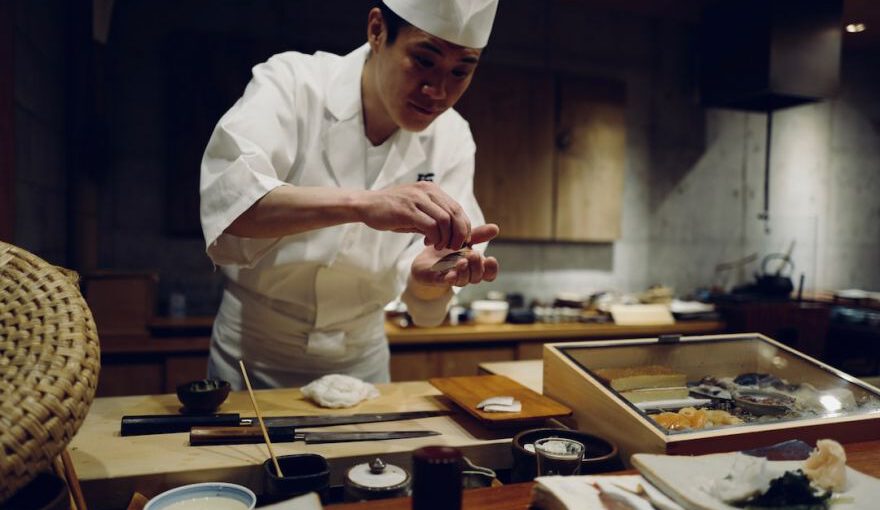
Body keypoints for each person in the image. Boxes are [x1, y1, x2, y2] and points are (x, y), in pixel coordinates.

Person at [200, 0, 500, 389]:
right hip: (251, 355)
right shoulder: (294, 83)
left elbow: (426, 280)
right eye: (424, 60)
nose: (438, 91)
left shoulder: (453, 137)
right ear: (377, 30)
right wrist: (365, 204)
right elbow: (232, 203)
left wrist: (430, 279)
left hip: (362, 363)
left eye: (461, 71)